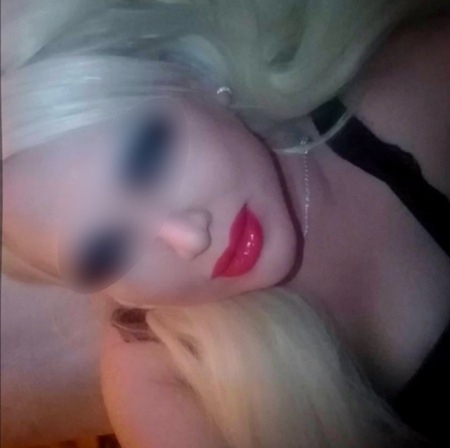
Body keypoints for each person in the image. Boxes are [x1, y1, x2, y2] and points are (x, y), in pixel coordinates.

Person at [2, 1, 449, 447]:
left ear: (193, 78)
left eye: (147, 156)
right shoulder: (162, 376)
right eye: (106, 253)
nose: (190, 238)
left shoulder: (413, 90)